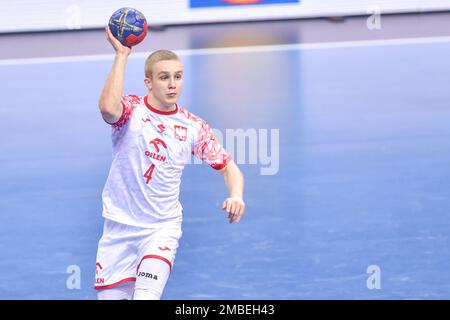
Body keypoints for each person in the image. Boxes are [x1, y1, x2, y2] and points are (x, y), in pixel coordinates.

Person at [94, 26, 245, 300]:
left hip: (161, 229)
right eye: (164, 77)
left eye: (177, 77)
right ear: (148, 82)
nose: (172, 84)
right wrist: (121, 55)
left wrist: (236, 195)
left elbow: (228, 166)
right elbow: (107, 108)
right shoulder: (131, 111)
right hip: (118, 227)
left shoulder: (192, 127)